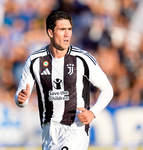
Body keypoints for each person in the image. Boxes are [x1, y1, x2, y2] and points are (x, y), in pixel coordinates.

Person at [15, 10, 113, 150]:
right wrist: (20, 100)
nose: (67, 34)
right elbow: (21, 98)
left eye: (69, 29)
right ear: (50, 32)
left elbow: (107, 89)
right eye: (62, 29)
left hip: (75, 128)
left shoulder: (82, 58)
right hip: (49, 131)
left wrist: (93, 112)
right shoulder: (35, 60)